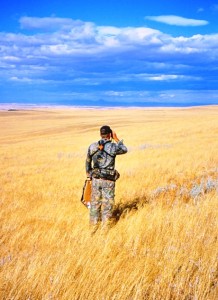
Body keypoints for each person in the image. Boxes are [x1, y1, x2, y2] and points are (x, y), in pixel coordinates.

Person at [85, 125, 127, 230]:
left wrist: (89, 174)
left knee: (95, 203)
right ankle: (105, 228)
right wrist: (116, 139)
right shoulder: (113, 146)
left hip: (95, 179)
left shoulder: (93, 146)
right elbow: (124, 149)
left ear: (100, 134)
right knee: (107, 204)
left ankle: (93, 227)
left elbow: (88, 161)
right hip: (108, 180)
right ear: (110, 135)